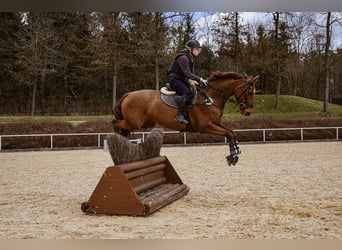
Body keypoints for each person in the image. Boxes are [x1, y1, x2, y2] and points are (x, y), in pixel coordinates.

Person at [167, 39, 208, 124]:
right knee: (187, 92)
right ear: (190, 49)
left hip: (181, 79)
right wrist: (200, 79)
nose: (198, 51)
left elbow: (191, 73)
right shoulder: (183, 58)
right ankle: (180, 115)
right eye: (197, 49)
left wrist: (196, 81)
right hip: (174, 80)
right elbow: (187, 73)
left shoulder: (191, 58)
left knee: (195, 89)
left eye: (199, 49)